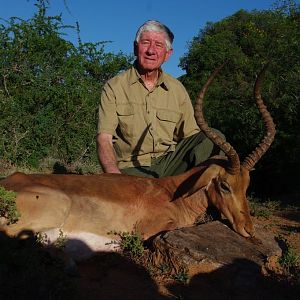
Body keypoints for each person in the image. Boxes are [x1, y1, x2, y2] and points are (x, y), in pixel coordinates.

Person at [97, 20, 223, 178]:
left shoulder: (177, 89)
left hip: (170, 164)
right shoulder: (114, 87)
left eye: (158, 45)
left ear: (167, 54)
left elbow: (191, 136)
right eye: (145, 43)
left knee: (213, 137)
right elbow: (104, 138)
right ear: (135, 48)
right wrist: (115, 177)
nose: (151, 50)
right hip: (132, 170)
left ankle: (205, 195)